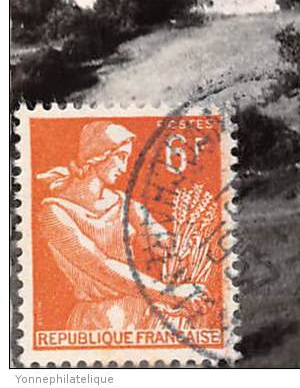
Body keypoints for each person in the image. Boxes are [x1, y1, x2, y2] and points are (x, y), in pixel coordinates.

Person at [36, 121, 204, 332]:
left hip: (141, 311)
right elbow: (102, 267)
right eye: (121, 157)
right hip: (98, 322)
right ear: (98, 155)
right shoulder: (54, 213)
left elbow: (166, 245)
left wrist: (186, 247)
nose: (124, 168)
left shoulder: (125, 204)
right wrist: (171, 294)